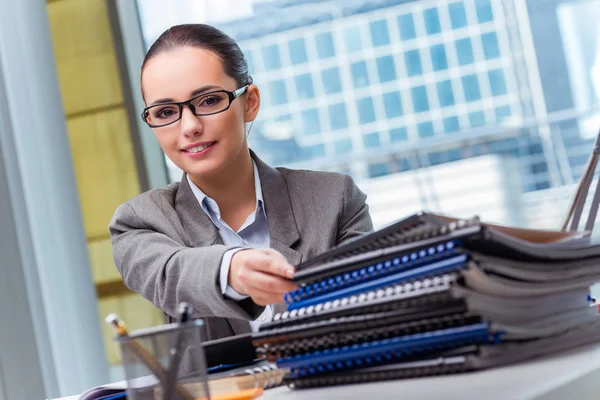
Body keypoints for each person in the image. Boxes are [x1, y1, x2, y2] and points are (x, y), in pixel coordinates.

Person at [109, 24, 373, 341]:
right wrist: (231, 270)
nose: (189, 126)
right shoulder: (139, 221)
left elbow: (368, 315)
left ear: (249, 102)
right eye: (165, 112)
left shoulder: (335, 199)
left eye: (208, 101)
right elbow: (170, 273)